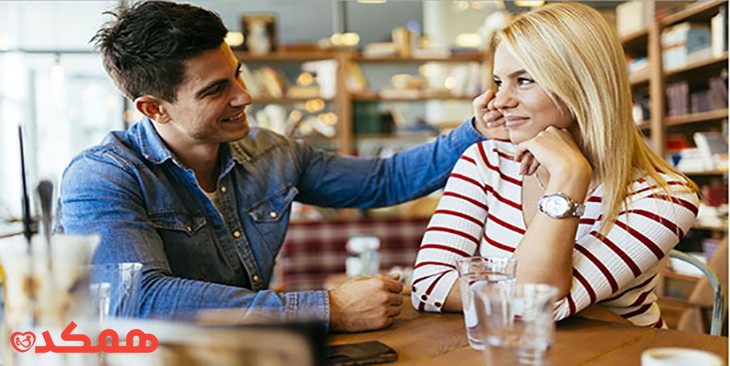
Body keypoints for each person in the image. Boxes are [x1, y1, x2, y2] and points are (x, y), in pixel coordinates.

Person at [54, 0, 504, 333]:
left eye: (239, 74)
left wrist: (475, 128)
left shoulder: (271, 153)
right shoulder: (101, 178)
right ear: (154, 109)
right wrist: (327, 309)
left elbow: (384, 181)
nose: (244, 96)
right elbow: (139, 301)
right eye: (216, 91)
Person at [411, 2, 700, 328]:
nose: (500, 101)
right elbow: (428, 287)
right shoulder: (486, 162)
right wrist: (513, 296)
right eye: (499, 81)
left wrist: (568, 176)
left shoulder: (665, 198)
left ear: (582, 85)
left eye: (523, 80)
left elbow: (539, 304)